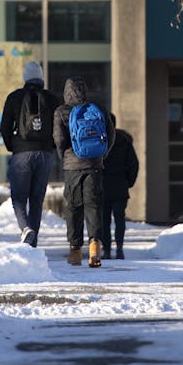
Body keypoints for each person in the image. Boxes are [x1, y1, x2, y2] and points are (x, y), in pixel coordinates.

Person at [53, 76, 115, 267]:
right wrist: (101, 155)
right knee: (94, 205)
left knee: (73, 207)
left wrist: (64, 156)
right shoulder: (98, 109)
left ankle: (75, 249)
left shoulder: (62, 111)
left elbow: (59, 139)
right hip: (94, 164)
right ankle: (95, 245)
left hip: (72, 166)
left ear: (67, 92)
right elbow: (111, 135)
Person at [0, 61, 61, 247]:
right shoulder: (52, 98)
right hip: (45, 153)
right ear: (41, 77)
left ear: (25, 77)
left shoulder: (14, 97)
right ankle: (32, 243)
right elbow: (59, 127)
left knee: (19, 196)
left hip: (22, 153)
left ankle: (26, 228)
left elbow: (4, 128)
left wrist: (13, 146)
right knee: (37, 198)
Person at [101, 113, 139, 260]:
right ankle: (119, 249)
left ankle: (106, 250)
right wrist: (129, 182)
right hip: (120, 186)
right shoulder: (124, 140)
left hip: (103, 186)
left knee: (104, 220)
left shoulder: (100, 141)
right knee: (119, 219)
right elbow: (133, 164)